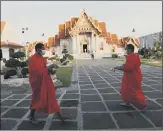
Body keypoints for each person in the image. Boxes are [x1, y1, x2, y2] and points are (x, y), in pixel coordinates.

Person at [28, 43, 65, 124]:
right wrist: (49, 68)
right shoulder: (32, 59)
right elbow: (36, 72)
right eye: (42, 49)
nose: (44, 51)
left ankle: (61, 117)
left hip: (45, 80)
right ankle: (31, 116)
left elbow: (44, 69)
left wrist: (51, 71)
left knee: (51, 96)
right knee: (37, 99)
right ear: (38, 49)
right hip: (37, 82)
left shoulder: (42, 58)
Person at [111, 44, 147, 110]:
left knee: (134, 91)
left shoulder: (131, 56)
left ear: (130, 49)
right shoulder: (134, 56)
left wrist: (118, 68)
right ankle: (127, 102)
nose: (126, 50)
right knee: (126, 89)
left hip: (133, 77)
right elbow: (129, 65)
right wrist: (122, 65)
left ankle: (142, 103)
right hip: (132, 76)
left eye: (126, 49)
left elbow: (128, 68)